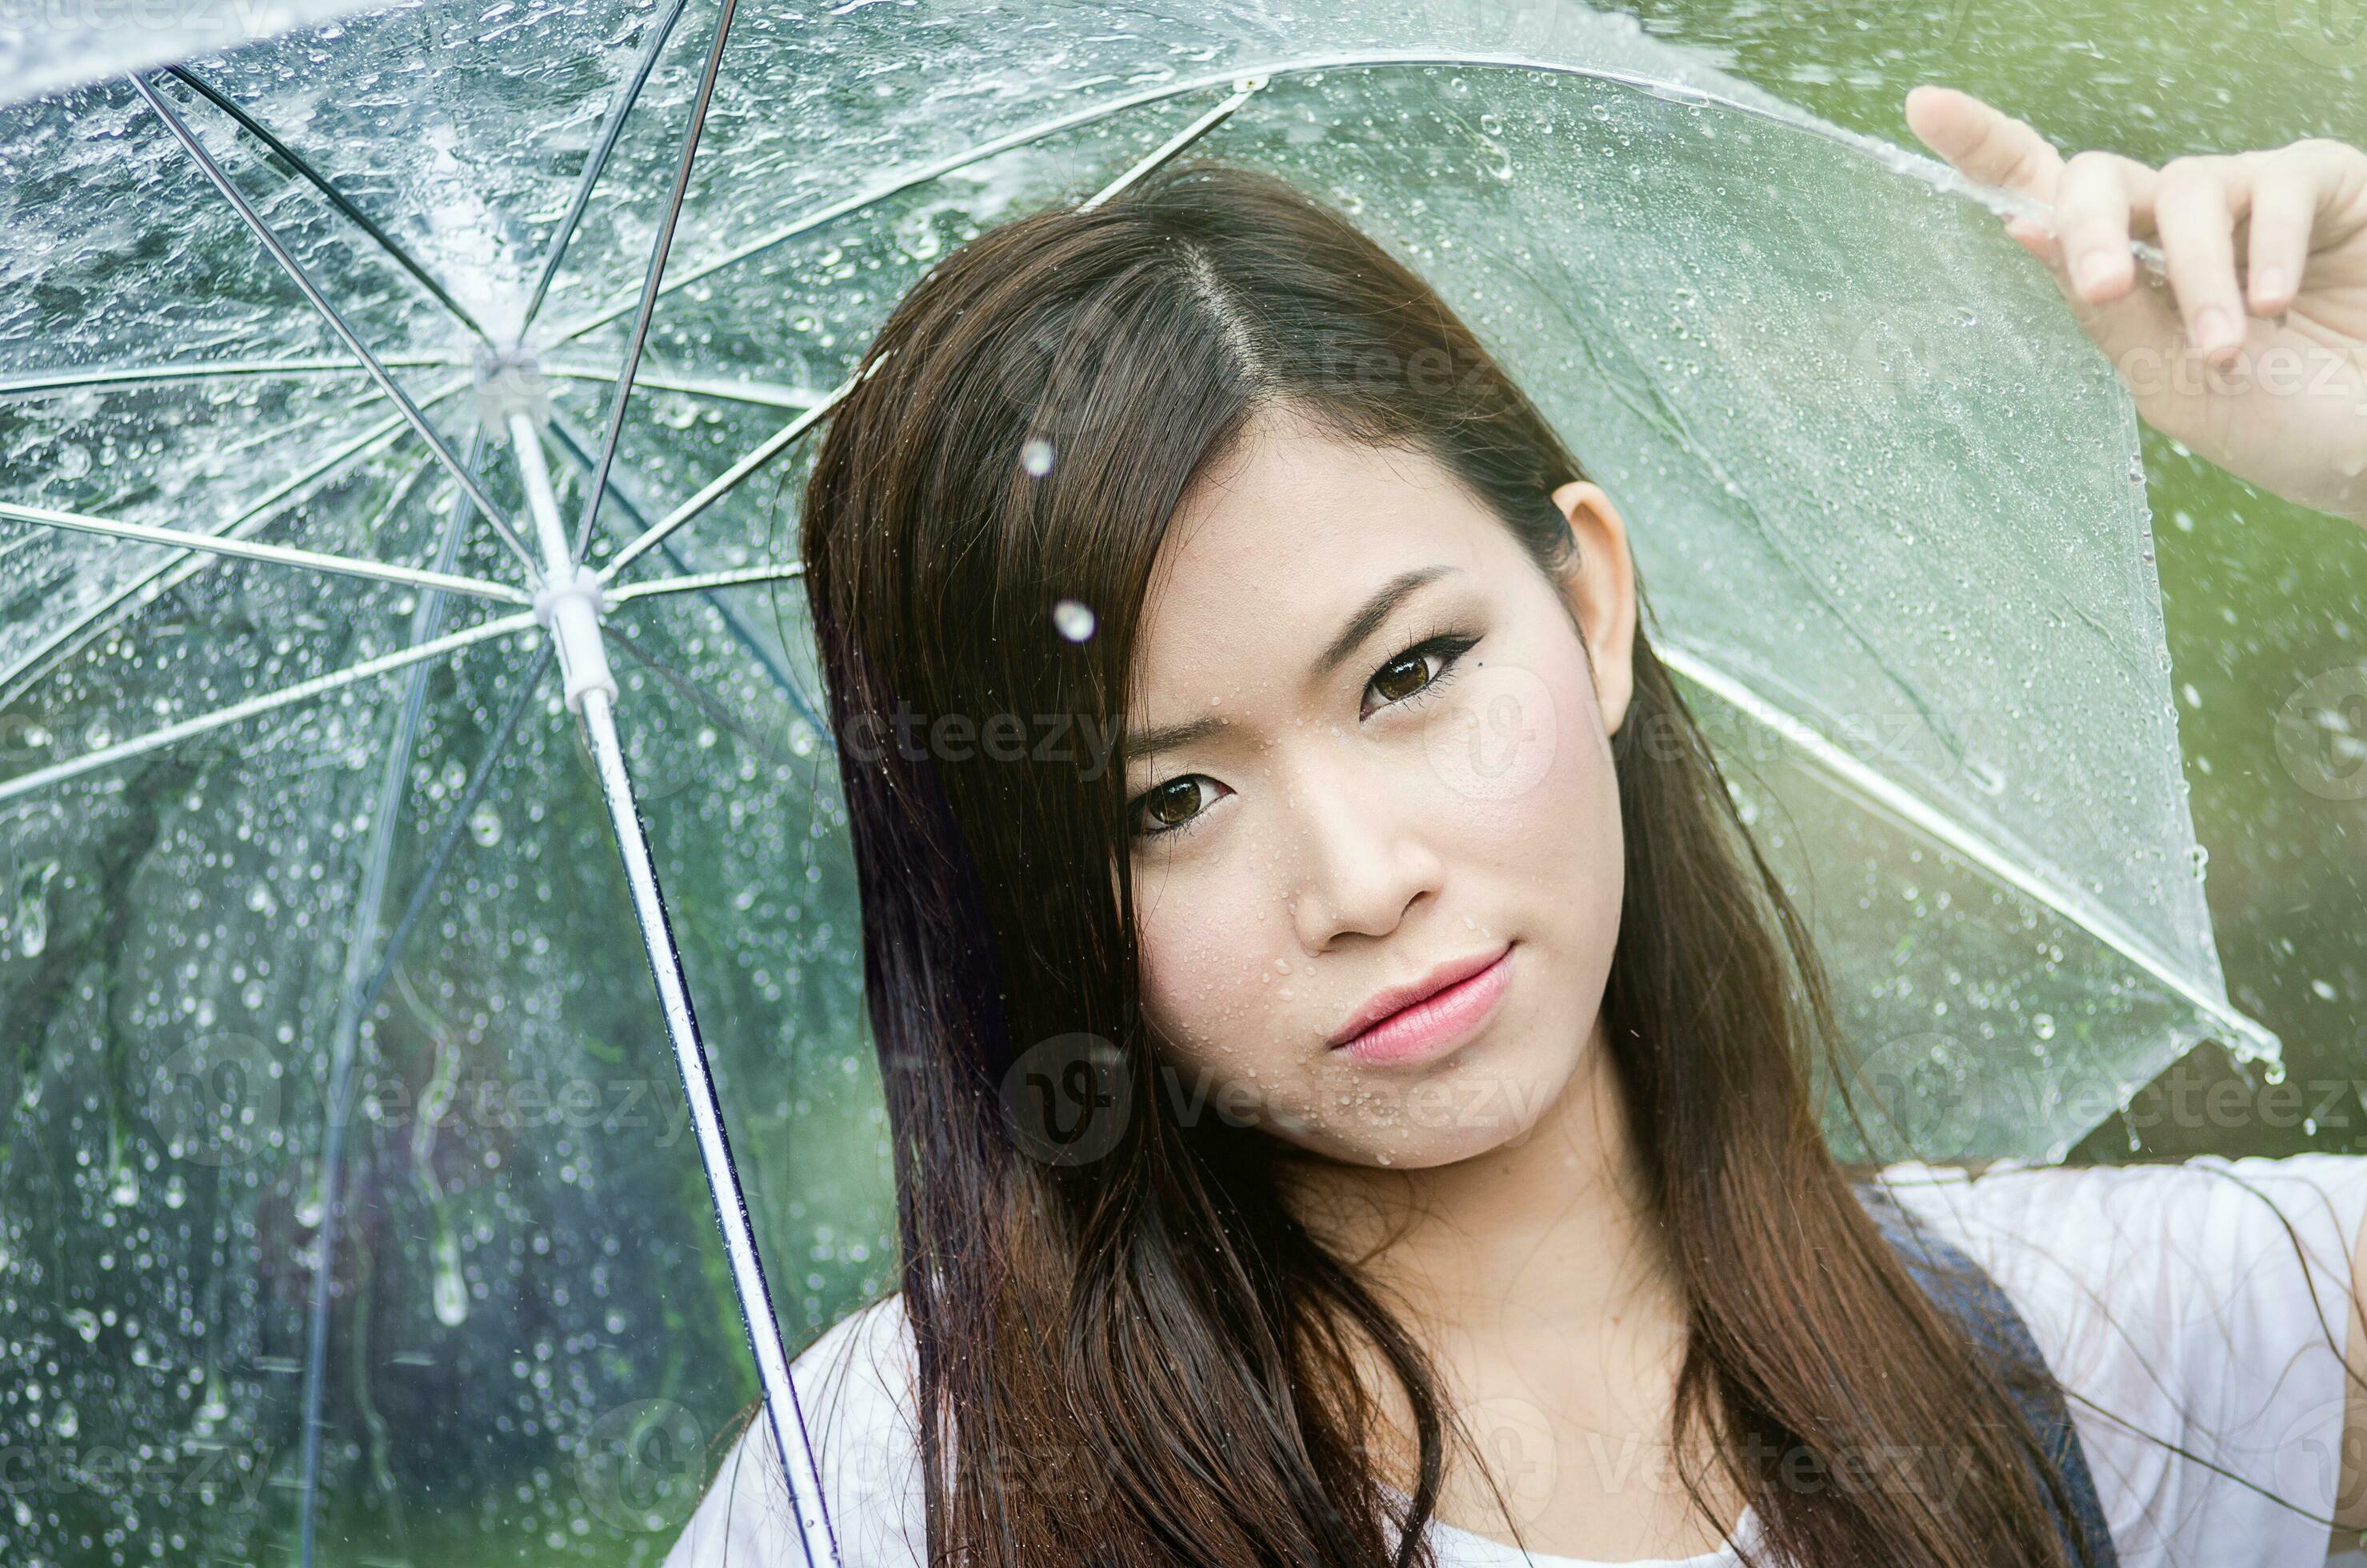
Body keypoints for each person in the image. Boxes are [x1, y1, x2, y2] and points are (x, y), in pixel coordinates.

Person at [663, 85, 2367, 1567]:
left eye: (1409, 673)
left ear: (1592, 602)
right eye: (1169, 801)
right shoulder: (903, 1489)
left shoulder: (2081, 1346)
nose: (1360, 881)